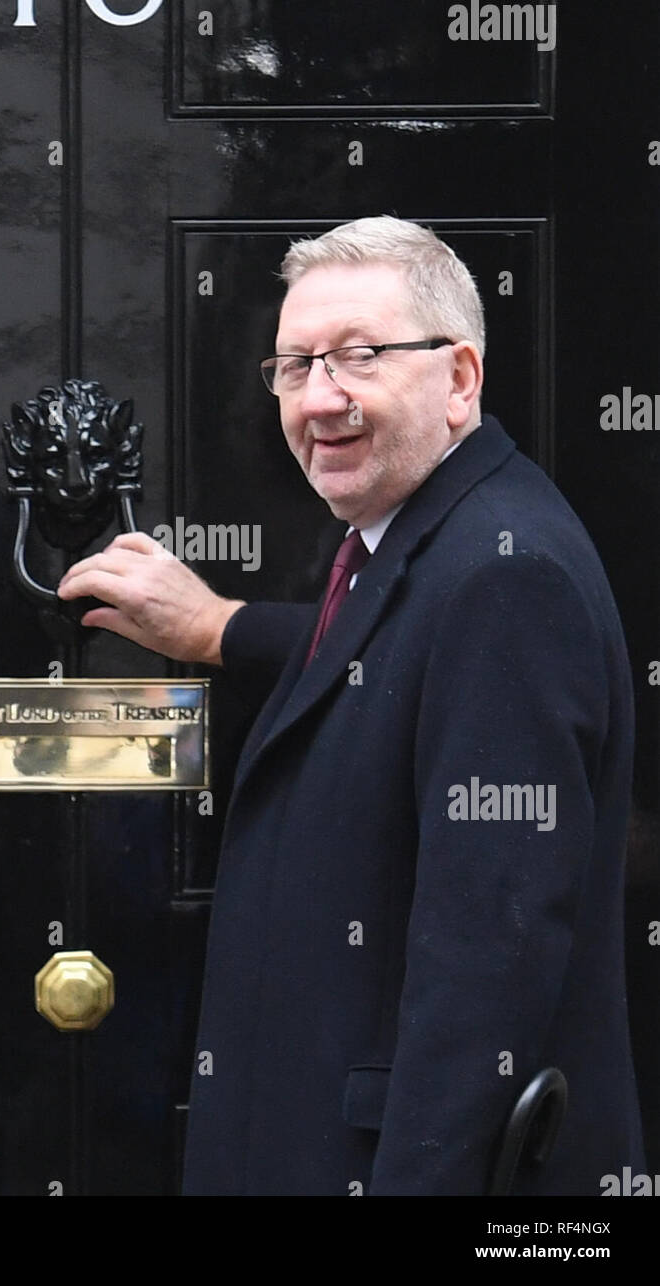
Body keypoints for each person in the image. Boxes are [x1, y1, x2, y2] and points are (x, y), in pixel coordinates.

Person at [57, 217, 645, 1195]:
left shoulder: (507, 579)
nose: (319, 399)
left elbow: (484, 971)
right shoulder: (443, 541)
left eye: (358, 357)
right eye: (294, 365)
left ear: (460, 380)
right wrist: (222, 628)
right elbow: (400, 664)